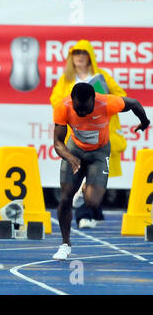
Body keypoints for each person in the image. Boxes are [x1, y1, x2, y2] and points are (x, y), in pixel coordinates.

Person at [52, 82, 150, 260]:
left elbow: (134, 103)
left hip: (99, 152)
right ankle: (65, 244)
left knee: (93, 202)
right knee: (65, 197)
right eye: (78, 109)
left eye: (86, 109)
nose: (81, 112)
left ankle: (84, 189)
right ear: (72, 100)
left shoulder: (107, 103)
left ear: (93, 100)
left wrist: (144, 122)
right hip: (75, 150)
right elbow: (58, 142)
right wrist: (70, 157)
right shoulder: (63, 106)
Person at [50, 39, 128, 229]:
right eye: (76, 54)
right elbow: (56, 101)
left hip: (100, 135)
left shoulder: (102, 76)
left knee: (95, 178)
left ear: (90, 56)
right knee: (79, 175)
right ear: (71, 57)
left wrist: (103, 96)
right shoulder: (66, 79)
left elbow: (121, 96)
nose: (79, 57)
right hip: (77, 136)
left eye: (83, 53)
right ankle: (86, 215)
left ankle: (90, 212)